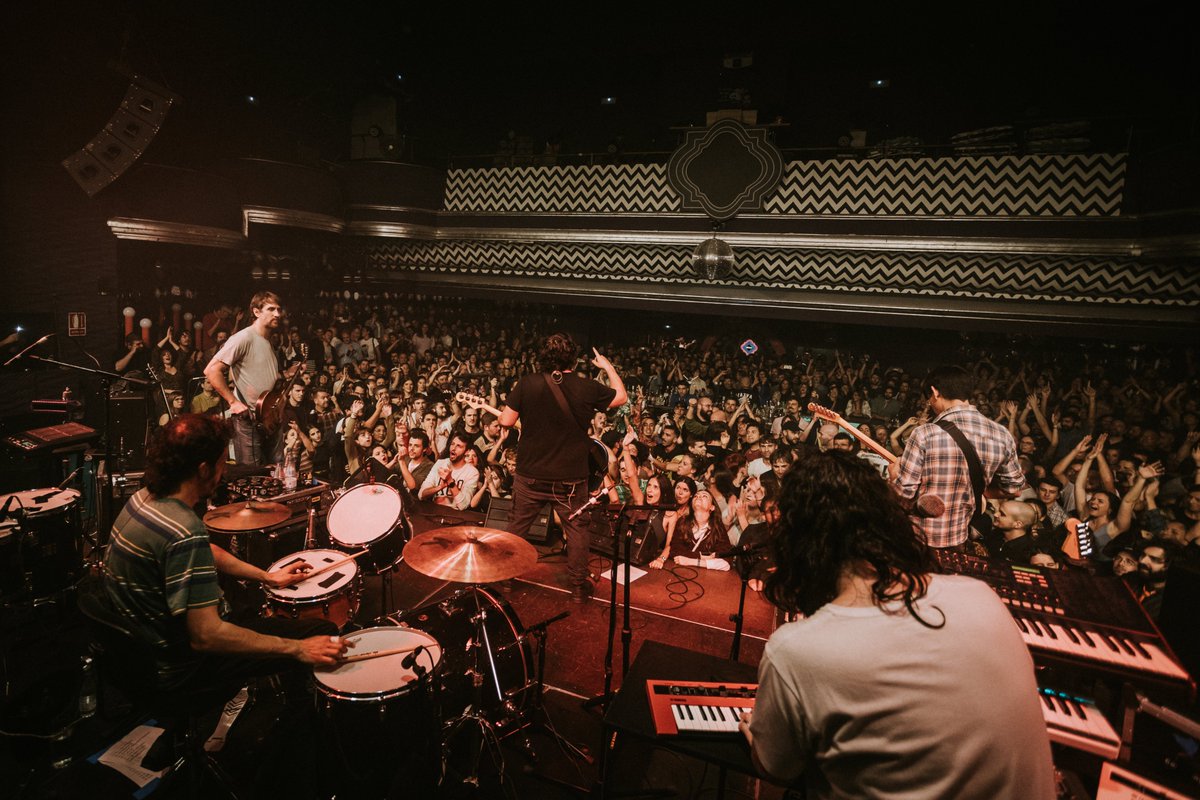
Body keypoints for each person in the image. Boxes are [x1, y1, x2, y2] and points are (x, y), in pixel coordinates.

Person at [741, 451, 1054, 798]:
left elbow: (776, 766)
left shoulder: (796, 651)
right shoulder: (981, 597)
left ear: (797, 541)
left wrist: (757, 739)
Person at [102, 414, 347, 696]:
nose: (224, 473)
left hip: (138, 654)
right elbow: (207, 636)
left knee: (246, 610)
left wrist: (266, 577)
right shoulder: (184, 531)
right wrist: (299, 649)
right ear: (204, 469)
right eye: (221, 464)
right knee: (319, 632)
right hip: (178, 668)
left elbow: (206, 551)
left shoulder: (143, 499)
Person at [497, 333, 627, 603]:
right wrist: (608, 367)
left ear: (543, 357)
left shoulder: (527, 383)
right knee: (577, 528)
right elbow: (622, 397)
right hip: (569, 477)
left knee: (518, 525)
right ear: (575, 360)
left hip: (530, 472)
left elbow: (507, 421)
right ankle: (578, 587)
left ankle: (506, 579)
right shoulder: (586, 387)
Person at [891, 365, 1026, 549]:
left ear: (935, 392)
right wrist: (978, 490)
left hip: (918, 539)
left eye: (929, 398)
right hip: (959, 538)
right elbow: (1014, 488)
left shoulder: (925, 433)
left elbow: (902, 494)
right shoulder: (1002, 434)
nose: (930, 403)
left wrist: (894, 475)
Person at [204, 292, 292, 465]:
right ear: (256, 312)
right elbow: (211, 370)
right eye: (271, 309)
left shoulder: (268, 341)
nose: (277, 314)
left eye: (279, 309)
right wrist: (233, 402)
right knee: (252, 475)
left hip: (269, 417)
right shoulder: (243, 337)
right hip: (248, 419)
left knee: (275, 471)